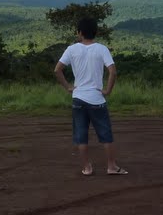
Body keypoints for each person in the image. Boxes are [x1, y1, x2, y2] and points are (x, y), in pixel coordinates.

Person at [54, 16, 125, 176]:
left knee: (81, 135)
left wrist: (68, 87)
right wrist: (107, 90)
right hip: (97, 99)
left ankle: (87, 168)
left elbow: (57, 70)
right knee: (105, 135)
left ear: (79, 33)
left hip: (78, 98)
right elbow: (112, 71)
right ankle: (111, 167)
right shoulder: (101, 49)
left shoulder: (71, 49)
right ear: (95, 32)